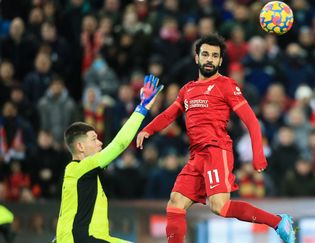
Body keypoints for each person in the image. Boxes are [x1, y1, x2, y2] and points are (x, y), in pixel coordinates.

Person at [136, 34, 295, 243]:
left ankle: (277, 222)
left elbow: (252, 122)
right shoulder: (187, 90)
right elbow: (169, 114)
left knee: (220, 206)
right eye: (205, 54)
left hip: (216, 150)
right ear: (197, 58)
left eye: (214, 56)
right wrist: (147, 129)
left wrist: (258, 155)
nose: (209, 59)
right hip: (196, 156)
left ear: (220, 61)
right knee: (175, 203)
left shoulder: (226, 85)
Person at [56, 74, 163, 243]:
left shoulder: (79, 174)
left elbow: (68, 211)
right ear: (80, 147)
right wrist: (142, 108)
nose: (100, 143)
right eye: (94, 139)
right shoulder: (81, 168)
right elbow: (119, 144)